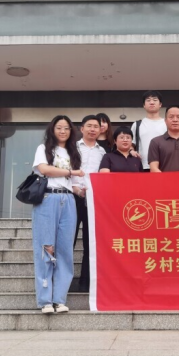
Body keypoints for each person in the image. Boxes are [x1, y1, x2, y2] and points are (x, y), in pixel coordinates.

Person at [32, 116, 85, 314]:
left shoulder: (74, 152)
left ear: (71, 131)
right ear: (52, 130)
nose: (63, 131)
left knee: (65, 250)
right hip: (48, 199)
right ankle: (45, 300)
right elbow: (44, 169)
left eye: (66, 128)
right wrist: (71, 172)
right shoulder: (44, 148)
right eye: (59, 128)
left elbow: (74, 184)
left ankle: (59, 299)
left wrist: (82, 191)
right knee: (46, 247)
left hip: (69, 200)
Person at [75, 115, 106, 293]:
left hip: (92, 199)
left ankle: (85, 283)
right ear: (82, 129)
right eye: (89, 126)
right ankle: (62, 281)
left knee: (90, 242)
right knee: (68, 241)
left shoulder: (102, 152)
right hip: (72, 197)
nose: (93, 129)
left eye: (96, 126)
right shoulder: (72, 148)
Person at [131, 91, 167, 172]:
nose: (151, 102)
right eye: (148, 100)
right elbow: (131, 144)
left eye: (155, 100)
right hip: (143, 166)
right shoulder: (137, 124)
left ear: (160, 104)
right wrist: (131, 151)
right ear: (144, 105)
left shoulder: (166, 123)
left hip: (164, 165)